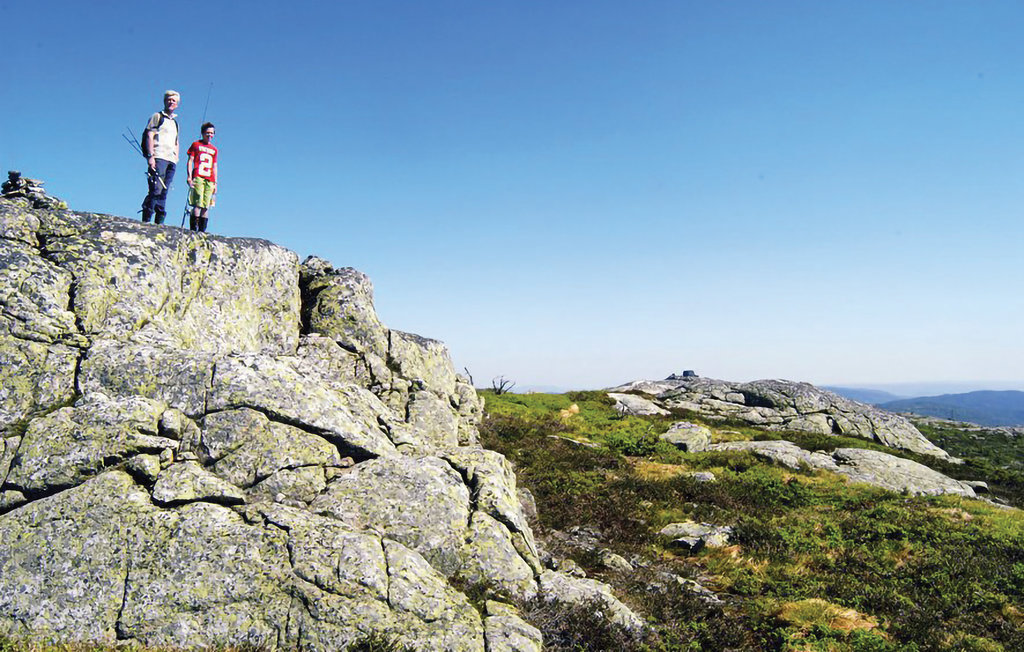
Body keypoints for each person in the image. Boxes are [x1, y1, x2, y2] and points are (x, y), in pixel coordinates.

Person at [140, 90, 180, 224]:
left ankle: (159, 223)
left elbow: (176, 141)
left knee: (164, 191)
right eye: (169, 99)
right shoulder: (157, 117)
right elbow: (149, 135)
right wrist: (151, 156)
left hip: (171, 160)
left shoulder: (175, 123)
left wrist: (176, 157)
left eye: (174, 100)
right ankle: (146, 219)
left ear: (177, 104)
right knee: (156, 188)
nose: (171, 102)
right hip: (158, 156)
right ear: (164, 101)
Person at [185, 122, 218, 232]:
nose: (209, 135)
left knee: (206, 204)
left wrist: (216, 183)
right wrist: (189, 177)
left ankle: (202, 231)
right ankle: (193, 229)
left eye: (212, 133)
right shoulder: (196, 145)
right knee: (198, 203)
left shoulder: (214, 150)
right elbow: (190, 160)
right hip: (198, 176)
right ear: (203, 133)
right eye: (207, 133)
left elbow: (214, 166)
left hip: (210, 179)